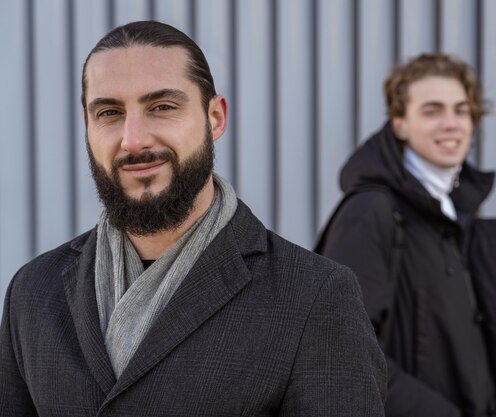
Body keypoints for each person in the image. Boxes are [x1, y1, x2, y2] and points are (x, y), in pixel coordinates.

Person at [0, 21, 386, 416]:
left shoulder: (314, 295)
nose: (134, 139)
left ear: (215, 117)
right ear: (88, 125)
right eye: (110, 112)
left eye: (162, 107)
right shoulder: (33, 292)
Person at [316, 53, 496, 417]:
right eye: (432, 111)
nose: (452, 124)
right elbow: (343, 348)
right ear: (399, 123)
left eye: (461, 110)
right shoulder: (371, 212)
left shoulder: (457, 211)